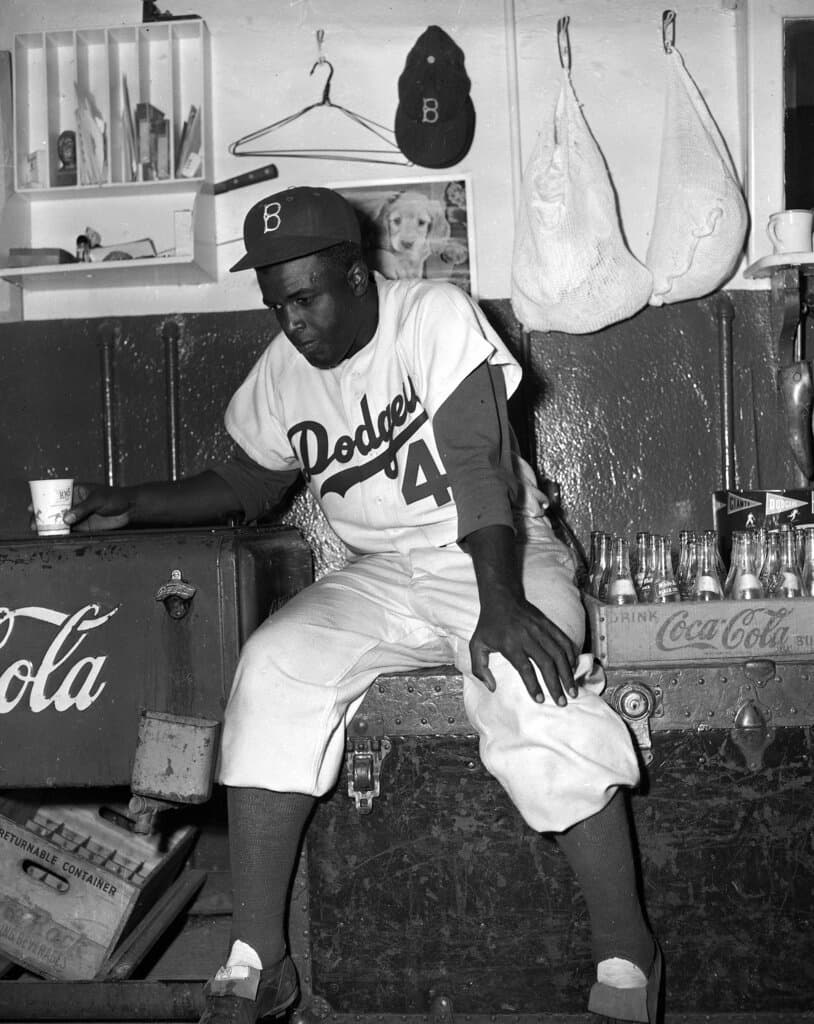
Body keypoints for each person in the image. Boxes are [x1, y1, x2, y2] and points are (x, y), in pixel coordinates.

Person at [65, 186, 661, 1024]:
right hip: (380, 570)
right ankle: (259, 959)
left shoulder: (432, 315)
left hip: (496, 549)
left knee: (534, 685)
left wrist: (500, 606)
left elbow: (481, 467)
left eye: (305, 298)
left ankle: (629, 957)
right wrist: (134, 500)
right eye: (276, 305)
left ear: (355, 273)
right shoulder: (286, 370)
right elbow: (244, 481)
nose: (291, 322)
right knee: (272, 665)